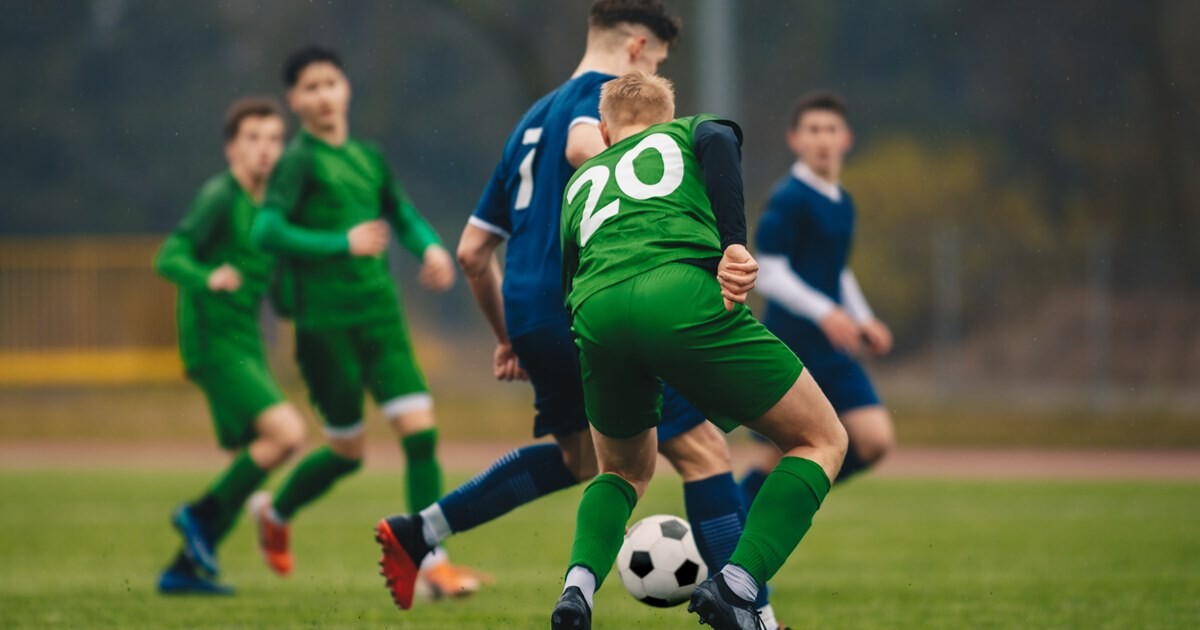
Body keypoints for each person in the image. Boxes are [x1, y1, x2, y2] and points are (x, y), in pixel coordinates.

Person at [375, 3, 784, 627]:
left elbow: (473, 252)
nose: (656, 75)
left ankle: (420, 530)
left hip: (534, 315)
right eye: (659, 62)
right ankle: (757, 617)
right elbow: (585, 148)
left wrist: (508, 336)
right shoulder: (602, 102)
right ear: (639, 48)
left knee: (583, 461)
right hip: (599, 297)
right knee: (704, 450)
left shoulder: (530, 119)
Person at [550, 72, 848, 630]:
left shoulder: (579, 182)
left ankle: (577, 590)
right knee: (821, 439)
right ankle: (738, 587)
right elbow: (718, 138)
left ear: (604, 133)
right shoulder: (687, 131)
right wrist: (733, 242)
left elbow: (567, 283)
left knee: (621, 471)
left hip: (596, 311)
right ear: (665, 119)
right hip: (677, 293)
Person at [249, 45, 478, 595]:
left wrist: (430, 248)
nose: (324, 95)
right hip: (324, 328)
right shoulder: (299, 162)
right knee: (347, 454)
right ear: (293, 100)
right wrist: (340, 242)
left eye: (331, 82)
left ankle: (430, 561)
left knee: (420, 435)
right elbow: (266, 231)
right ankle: (275, 513)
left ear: (346, 88)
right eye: (311, 87)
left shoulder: (368, 157)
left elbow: (400, 213)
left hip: (381, 317)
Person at [154, 97, 306, 595]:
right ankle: (198, 515)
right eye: (253, 138)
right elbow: (170, 255)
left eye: (274, 139)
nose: (265, 149)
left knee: (248, 459)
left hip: (246, 341)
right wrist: (208, 277)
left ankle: (183, 570)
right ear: (231, 149)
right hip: (213, 340)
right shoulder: (220, 195)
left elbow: (283, 296)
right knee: (286, 434)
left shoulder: (271, 210)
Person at [741, 91, 895, 506]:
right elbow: (769, 271)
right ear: (795, 139)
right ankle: (732, 530)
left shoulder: (842, 202)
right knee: (780, 454)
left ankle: (783, 506)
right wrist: (825, 312)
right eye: (813, 130)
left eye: (830, 129)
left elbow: (836, 270)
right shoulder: (788, 198)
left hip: (833, 349)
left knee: (874, 440)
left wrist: (863, 318)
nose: (822, 138)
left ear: (847, 139)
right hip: (791, 346)